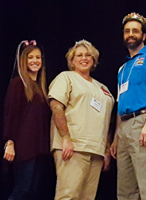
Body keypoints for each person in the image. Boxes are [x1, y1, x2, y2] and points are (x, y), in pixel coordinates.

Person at [110, 13, 146, 200]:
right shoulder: (122, 68)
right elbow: (120, 104)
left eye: (135, 30)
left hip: (145, 122)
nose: (130, 34)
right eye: (127, 31)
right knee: (125, 192)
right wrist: (116, 136)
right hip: (125, 127)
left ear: (143, 35)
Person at [48, 39, 114, 200]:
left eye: (88, 55)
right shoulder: (66, 78)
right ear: (71, 60)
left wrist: (105, 149)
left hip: (96, 151)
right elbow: (56, 108)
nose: (84, 58)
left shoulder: (103, 88)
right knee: (68, 196)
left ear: (94, 61)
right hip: (73, 147)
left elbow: (107, 120)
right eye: (79, 55)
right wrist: (65, 138)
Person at [3, 40, 52, 200]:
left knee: (33, 192)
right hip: (25, 148)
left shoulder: (41, 88)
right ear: (23, 61)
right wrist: (10, 142)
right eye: (30, 57)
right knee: (21, 190)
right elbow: (11, 114)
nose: (35, 61)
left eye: (38, 57)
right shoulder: (18, 84)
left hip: (39, 148)